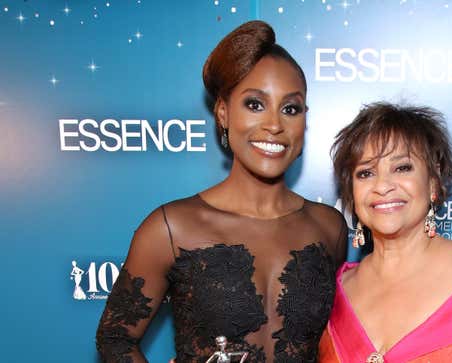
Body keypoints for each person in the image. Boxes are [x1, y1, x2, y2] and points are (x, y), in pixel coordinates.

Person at [96, 21, 347, 363]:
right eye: (255, 104)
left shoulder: (329, 227)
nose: (274, 125)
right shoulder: (171, 227)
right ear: (223, 112)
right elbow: (115, 339)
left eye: (290, 108)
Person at [318, 103, 452, 362]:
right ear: (352, 195)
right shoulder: (337, 291)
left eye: (402, 168)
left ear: (433, 182)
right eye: (365, 173)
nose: (382, 186)